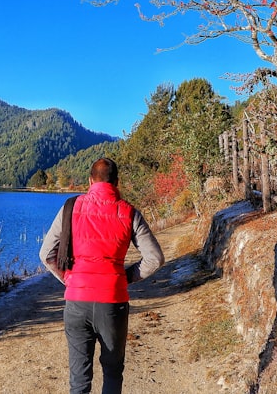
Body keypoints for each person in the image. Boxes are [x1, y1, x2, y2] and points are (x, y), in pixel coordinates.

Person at [39, 157, 165, 394]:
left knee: (79, 379)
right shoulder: (129, 212)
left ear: (90, 181)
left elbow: (47, 254)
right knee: (113, 370)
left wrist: (69, 279)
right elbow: (155, 259)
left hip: (76, 302)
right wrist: (124, 277)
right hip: (112, 302)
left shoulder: (71, 207)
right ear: (117, 182)